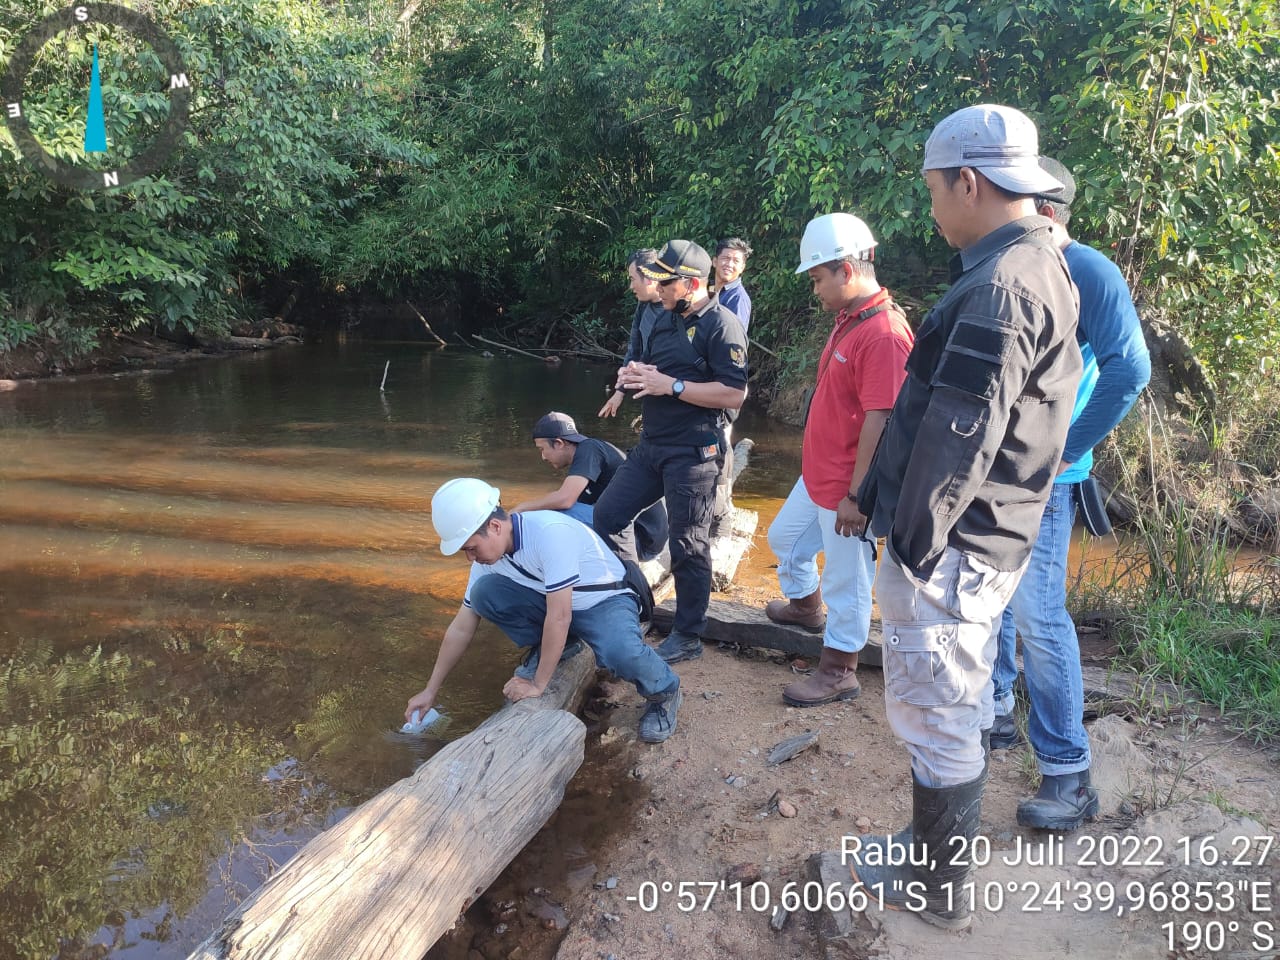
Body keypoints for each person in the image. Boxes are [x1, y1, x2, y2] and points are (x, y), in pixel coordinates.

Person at [846, 104, 1081, 931]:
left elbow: (958, 442)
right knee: (960, 697)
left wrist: (909, 550)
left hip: (955, 549)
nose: (932, 209)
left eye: (934, 191)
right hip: (993, 538)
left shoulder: (1002, 289)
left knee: (939, 706)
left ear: (969, 182)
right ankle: (928, 848)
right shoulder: (1034, 262)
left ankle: (938, 888)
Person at [992, 156, 1151, 830]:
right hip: (996, 471)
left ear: (1046, 212)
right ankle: (997, 712)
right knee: (991, 598)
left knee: (1037, 615)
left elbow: (1129, 369)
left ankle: (1068, 773)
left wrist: (1068, 448)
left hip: (1047, 481)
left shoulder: (1086, 268)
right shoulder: (1018, 268)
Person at [404, 478, 682, 743]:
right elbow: (462, 627)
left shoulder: (549, 533)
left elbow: (559, 617)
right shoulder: (487, 560)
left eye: (472, 548)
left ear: (495, 527)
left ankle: (664, 691)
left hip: (604, 600)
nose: (470, 558)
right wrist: (430, 690)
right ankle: (564, 648)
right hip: (557, 602)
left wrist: (538, 685)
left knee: (620, 653)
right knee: (483, 594)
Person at [765, 213, 914, 706]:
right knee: (784, 539)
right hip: (820, 476)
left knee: (847, 577)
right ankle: (808, 609)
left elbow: (883, 419)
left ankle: (839, 669)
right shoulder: (852, 320)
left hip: (849, 485)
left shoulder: (884, 334)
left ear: (846, 271)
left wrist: (858, 495)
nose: (815, 290)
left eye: (817, 278)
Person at [592, 239, 748, 664]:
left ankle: (688, 632)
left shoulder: (722, 325)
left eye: (665, 283)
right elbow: (650, 364)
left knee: (688, 543)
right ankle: (635, 595)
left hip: (694, 452)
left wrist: (674, 387)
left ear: (692, 284)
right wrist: (636, 375)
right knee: (606, 515)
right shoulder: (661, 316)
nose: (656, 289)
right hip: (652, 445)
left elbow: (734, 393)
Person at [511, 410, 669, 564]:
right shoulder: (590, 456)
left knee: (554, 513)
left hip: (641, 540)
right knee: (556, 507)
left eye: (542, 449)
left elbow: (565, 500)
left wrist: (522, 508)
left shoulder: (589, 448)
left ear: (559, 443)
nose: (543, 457)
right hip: (646, 539)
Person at [600, 249, 665, 420]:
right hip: (649, 393)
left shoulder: (674, 312)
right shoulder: (643, 305)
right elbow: (635, 349)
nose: (630, 287)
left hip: (671, 393)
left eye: (632, 279)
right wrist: (620, 391)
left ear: (650, 278)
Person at [712, 238, 753, 335]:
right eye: (725, 258)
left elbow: (734, 339)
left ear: (742, 268)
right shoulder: (708, 290)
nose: (730, 264)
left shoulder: (737, 298)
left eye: (736, 261)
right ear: (714, 261)